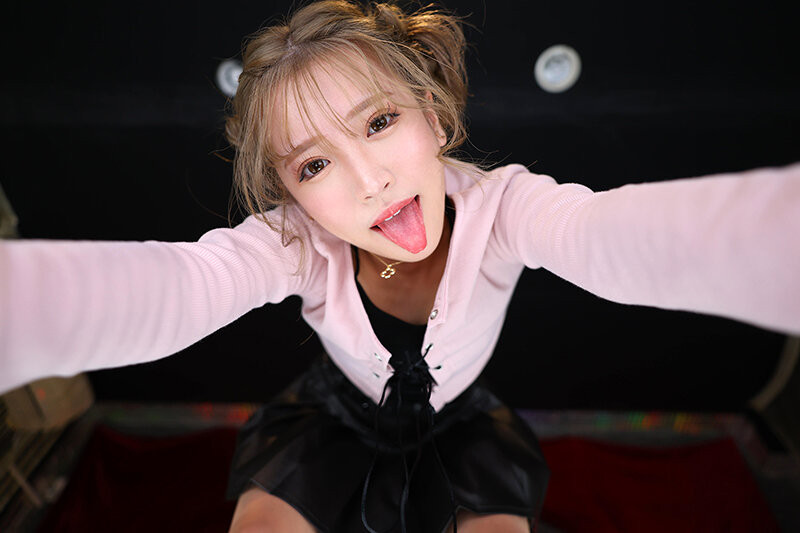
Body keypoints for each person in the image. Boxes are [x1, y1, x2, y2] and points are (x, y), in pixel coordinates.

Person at [1, 1, 799, 532]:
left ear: (436, 117)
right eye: (315, 165)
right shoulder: (298, 240)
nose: (368, 179)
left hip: (463, 424)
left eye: (380, 121)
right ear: (291, 194)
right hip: (328, 417)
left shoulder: (506, 208)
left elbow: (612, 237)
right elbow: (182, 285)